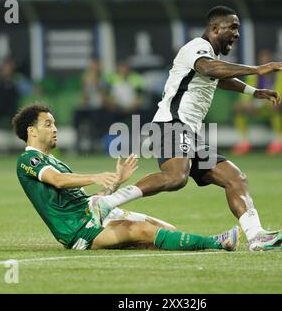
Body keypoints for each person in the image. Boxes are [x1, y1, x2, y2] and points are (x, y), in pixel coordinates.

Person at [92, 6, 282, 251]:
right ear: (214, 28)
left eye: (238, 28)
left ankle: (257, 236)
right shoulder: (196, 49)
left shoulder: (211, 56)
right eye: (232, 27)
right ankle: (106, 203)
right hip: (171, 123)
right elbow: (210, 70)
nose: (237, 33)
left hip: (190, 133)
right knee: (176, 177)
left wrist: (254, 91)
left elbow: (220, 77)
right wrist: (257, 70)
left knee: (235, 178)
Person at [12, 103, 241, 251]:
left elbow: (80, 200)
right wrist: (95, 176)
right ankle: (218, 242)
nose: (55, 129)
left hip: (93, 213)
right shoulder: (28, 161)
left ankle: (147, 242)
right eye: (48, 124)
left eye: (55, 124)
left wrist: (116, 182)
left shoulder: (57, 161)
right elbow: (58, 181)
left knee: (164, 230)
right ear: (32, 131)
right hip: (79, 230)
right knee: (141, 231)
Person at [232, 49, 282, 155]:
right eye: (263, 61)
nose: (265, 63)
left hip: (271, 104)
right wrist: (247, 103)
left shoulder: (280, 74)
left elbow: (280, 92)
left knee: (276, 106)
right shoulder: (255, 74)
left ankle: (278, 142)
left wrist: (266, 102)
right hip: (257, 105)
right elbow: (246, 90)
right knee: (238, 107)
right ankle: (243, 142)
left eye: (267, 60)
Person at [73, 59, 113, 153]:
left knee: (98, 116)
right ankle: (79, 139)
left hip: (100, 107)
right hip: (89, 107)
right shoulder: (86, 80)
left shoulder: (104, 80)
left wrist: (96, 84)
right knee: (77, 113)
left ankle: (98, 140)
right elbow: (84, 98)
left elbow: (105, 97)